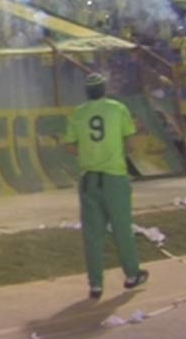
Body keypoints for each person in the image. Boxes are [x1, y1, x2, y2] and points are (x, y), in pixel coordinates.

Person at [61, 72, 147, 300]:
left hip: (89, 179)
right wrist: (114, 149)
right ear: (104, 90)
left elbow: (69, 146)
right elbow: (131, 144)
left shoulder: (78, 113)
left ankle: (96, 285)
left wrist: (89, 151)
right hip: (114, 177)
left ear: (87, 92)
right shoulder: (117, 109)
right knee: (121, 228)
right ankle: (132, 274)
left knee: (92, 234)